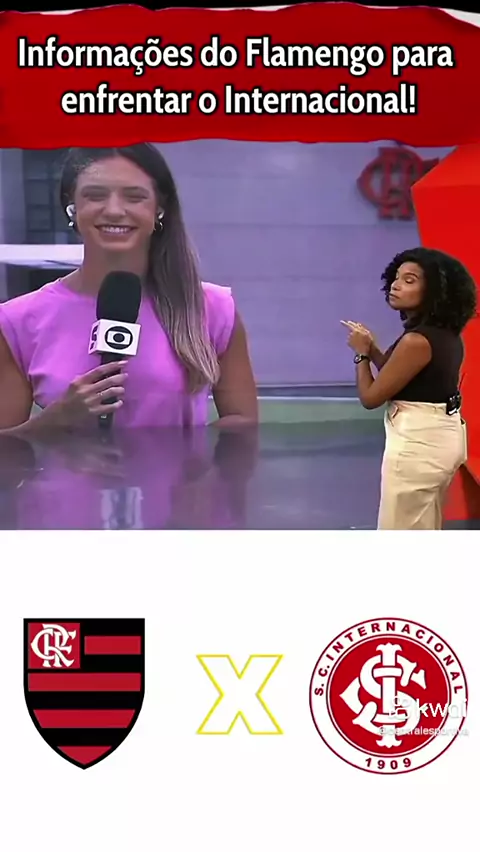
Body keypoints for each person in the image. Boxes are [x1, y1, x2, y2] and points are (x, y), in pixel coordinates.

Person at [0, 144, 258, 433]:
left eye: (134, 197)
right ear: (71, 206)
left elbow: (243, 423)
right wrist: (55, 422)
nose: (114, 210)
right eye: (95, 195)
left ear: (159, 208)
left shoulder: (212, 308)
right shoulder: (17, 321)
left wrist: (184, 454)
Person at [341, 247, 477, 530]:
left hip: (418, 445)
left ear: (434, 291)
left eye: (409, 280)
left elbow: (371, 397)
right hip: (440, 437)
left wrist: (361, 355)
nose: (395, 285)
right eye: (396, 277)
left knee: (398, 531)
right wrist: (372, 348)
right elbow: (399, 376)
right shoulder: (443, 335)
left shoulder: (416, 341)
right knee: (423, 527)